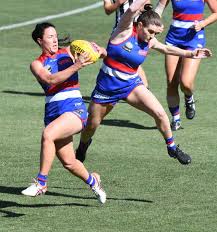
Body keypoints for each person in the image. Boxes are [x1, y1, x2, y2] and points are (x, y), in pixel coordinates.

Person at [76, 0, 212, 165]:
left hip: (131, 85)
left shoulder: (150, 41)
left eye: (155, 33)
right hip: (107, 88)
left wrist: (191, 54)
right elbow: (132, 9)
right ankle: (83, 145)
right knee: (91, 126)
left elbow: (167, 49)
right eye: (150, 31)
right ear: (139, 25)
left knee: (160, 113)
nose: (152, 36)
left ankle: (172, 147)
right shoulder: (123, 31)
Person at [21, 22, 107, 204]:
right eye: (49, 37)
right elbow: (50, 80)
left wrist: (99, 51)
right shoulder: (37, 64)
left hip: (74, 108)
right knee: (69, 162)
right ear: (40, 40)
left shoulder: (69, 51)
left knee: (48, 135)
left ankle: (41, 183)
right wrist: (77, 65)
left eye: (55, 35)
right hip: (52, 112)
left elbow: (98, 51)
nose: (54, 39)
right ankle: (94, 181)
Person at [155, 0, 217, 130]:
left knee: (186, 83)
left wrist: (203, 23)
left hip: (194, 39)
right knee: (171, 81)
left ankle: (189, 98)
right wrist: (153, 24)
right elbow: (159, 8)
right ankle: (175, 118)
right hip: (173, 38)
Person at [103, 0, 150, 88]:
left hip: (137, 30)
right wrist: (118, 3)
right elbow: (107, 10)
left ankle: (143, 87)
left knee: (131, 59)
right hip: (120, 32)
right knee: (117, 59)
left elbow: (148, 7)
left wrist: (143, 8)